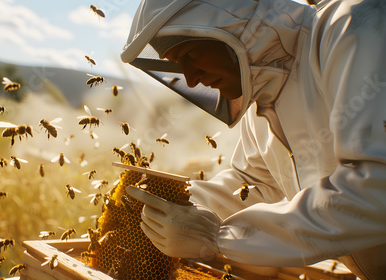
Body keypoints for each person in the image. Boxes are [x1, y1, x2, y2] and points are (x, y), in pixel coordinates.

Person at [122, 0, 386, 279]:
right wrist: (173, 205)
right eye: (177, 64)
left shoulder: (353, 26)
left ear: (235, 22)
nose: (189, 79)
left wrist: (221, 237)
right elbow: (253, 184)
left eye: (191, 53)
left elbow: (376, 186)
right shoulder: (262, 105)